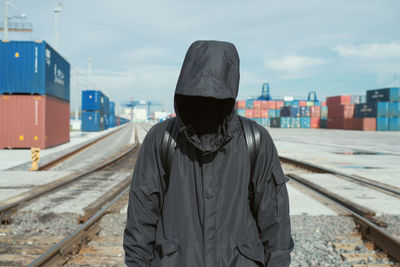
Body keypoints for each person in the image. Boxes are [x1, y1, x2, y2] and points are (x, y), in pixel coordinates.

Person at [123, 40, 294, 267]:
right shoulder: (162, 139)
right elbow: (141, 218)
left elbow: (276, 224)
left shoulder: (255, 140)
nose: (207, 100)